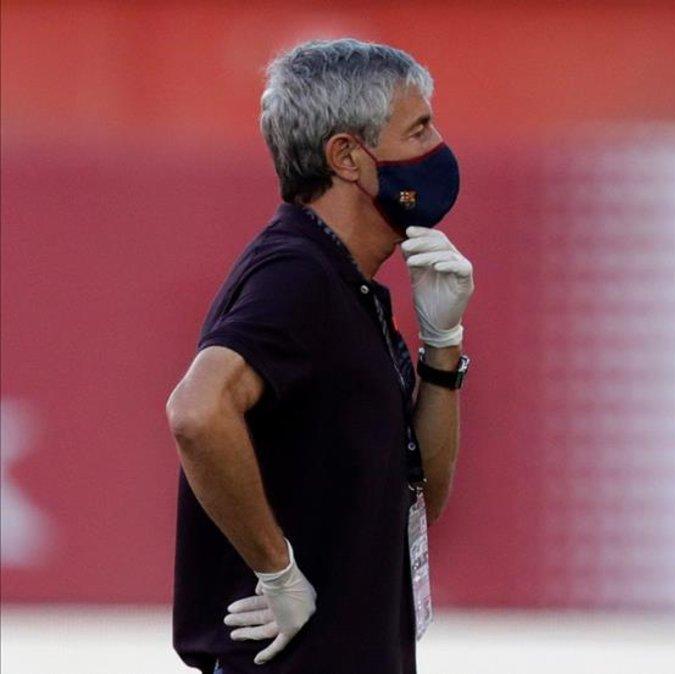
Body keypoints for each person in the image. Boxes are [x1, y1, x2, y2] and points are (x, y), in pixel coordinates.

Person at [166, 38, 474, 674]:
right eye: (417, 128)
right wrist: (277, 573)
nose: (437, 146)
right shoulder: (297, 275)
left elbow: (420, 499)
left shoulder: (349, 289)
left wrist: (442, 350)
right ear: (347, 157)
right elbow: (197, 411)